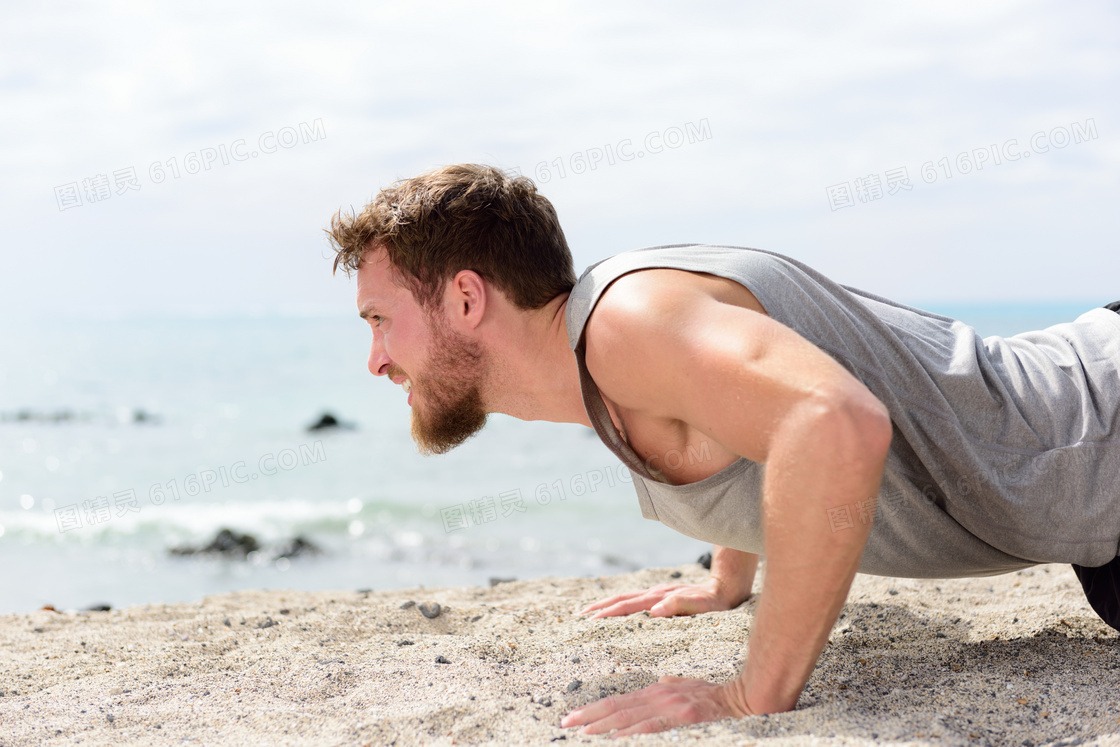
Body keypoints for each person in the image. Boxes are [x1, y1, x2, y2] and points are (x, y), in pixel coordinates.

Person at [327, 163, 1120, 737]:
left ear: (466, 297)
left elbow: (834, 423)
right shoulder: (597, 362)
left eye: (379, 320)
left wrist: (752, 693)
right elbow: (748, 424)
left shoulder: (627, 320)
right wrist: (729, 571)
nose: (375, 361)